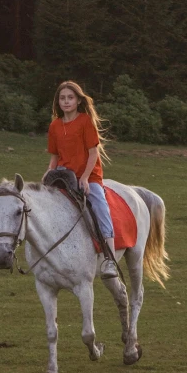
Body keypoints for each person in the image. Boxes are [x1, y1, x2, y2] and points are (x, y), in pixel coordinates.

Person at [45, 80, 119, 280]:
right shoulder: (54, 126)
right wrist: (47, 174)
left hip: (88, 175)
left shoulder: (85, 121)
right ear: (58, 102)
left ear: (78, 100)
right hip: (62, 175)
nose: (66, 101)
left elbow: (93, 153)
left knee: (100, 206)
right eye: (62, 98)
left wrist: (85, 178)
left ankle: (109, 259)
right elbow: (54, 156)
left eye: (70, 98)